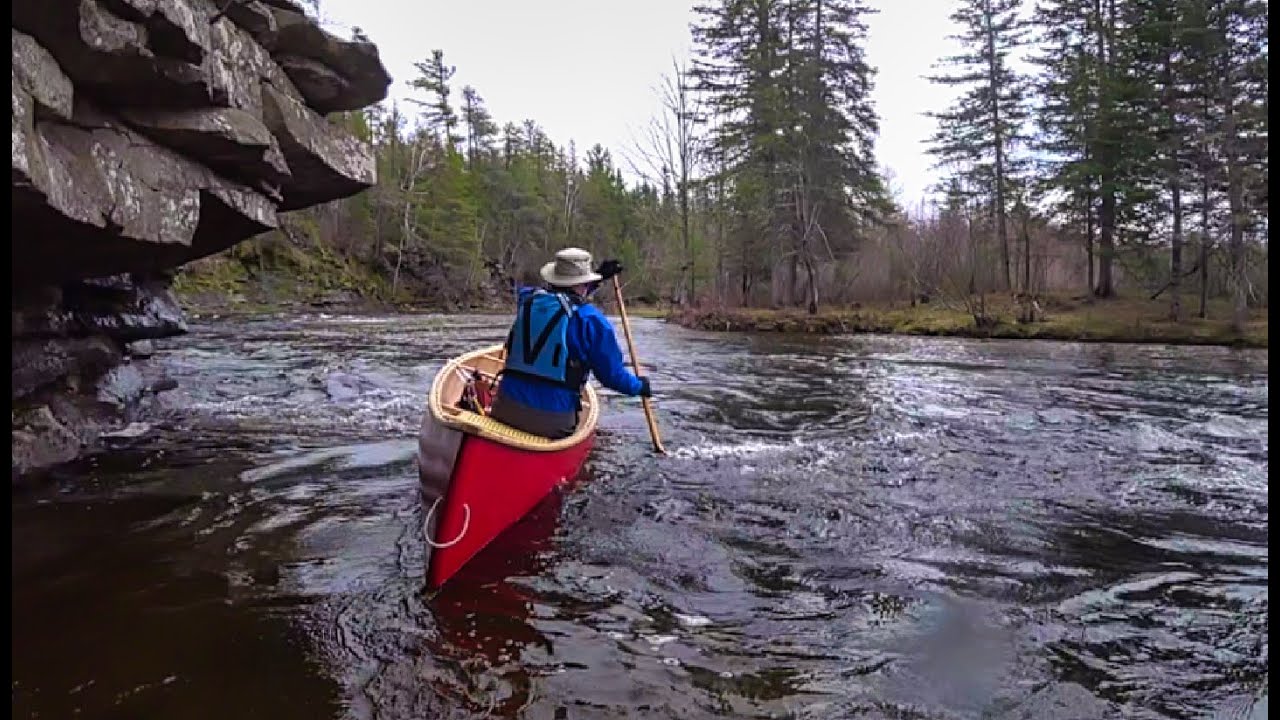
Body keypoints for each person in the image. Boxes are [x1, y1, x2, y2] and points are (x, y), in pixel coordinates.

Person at [489, 247, 652, 439]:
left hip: (505, 409)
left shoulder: (527, 300)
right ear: (584, 284)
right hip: (553, 422)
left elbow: (559, 297)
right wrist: (639, 387)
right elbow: (611, 377)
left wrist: (599, 277)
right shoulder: (592, 320)